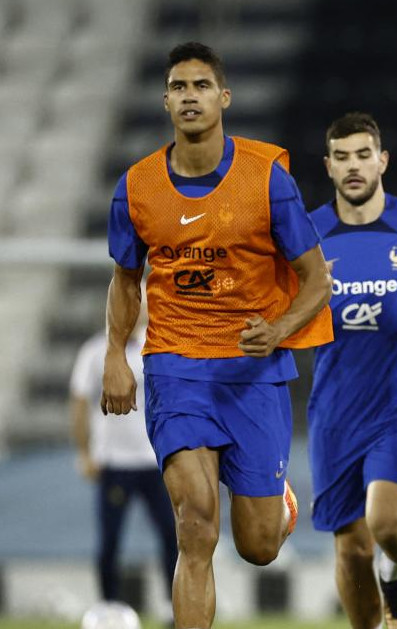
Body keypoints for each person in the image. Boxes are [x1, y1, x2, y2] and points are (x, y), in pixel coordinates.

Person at [101, 42, 333, 629]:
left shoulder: (267, 179)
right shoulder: (137, 187)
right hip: (176, 365)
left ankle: (276, 503)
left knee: (258, 547)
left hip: (253, 374)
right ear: (165, 101)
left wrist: (279, 328)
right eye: (178, 87)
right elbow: (126, 279)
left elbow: (315, 280)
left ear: (223, 97)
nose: (189, 97)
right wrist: (115, 355)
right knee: (196, 522)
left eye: (201, 86)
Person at [307, 112, 397, 629]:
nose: (354, 166)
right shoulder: (310, 233)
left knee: (385, 524)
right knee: (351, 549)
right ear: (328, 166)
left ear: (382, 160)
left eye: (363, 155)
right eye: (342, 158)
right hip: (336, 410)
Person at [71, 305, 178, 613]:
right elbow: (79, 402)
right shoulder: (94, 352)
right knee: (110, 540)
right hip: (115, 462)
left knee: (172, 534)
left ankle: (173, 607)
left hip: (155, 460)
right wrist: (84, 452)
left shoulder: (156, 346)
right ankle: (109, 608)